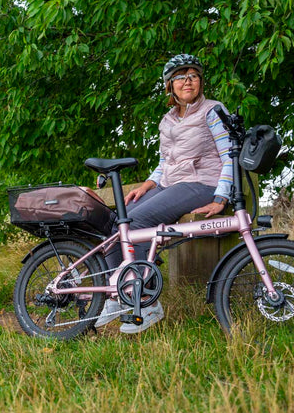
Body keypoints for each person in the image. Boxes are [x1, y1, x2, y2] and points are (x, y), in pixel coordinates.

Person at [95, 54, 232, 334]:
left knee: (136, 222)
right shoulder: (168, 120)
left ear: (201, 82)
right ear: (170, 85)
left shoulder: (213, 111)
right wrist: (148, 183)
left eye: (193, 75)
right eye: (181, 77)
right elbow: (164, 163)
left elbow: (230, 155)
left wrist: (221, 197)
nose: (188, 81)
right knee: (116, 222)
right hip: (170, 185)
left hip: (201, 184)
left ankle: (145, 300)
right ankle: (118, 292)